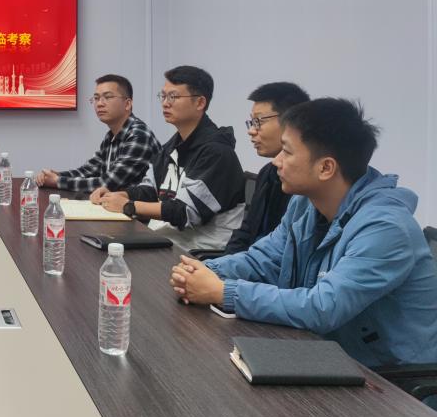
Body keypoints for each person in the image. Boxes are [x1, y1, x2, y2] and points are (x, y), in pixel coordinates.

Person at [169, 98, 437, 368]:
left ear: (326, 168)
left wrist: (223, 292)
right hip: (323, 353)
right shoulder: (305, 204)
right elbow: (263, 260)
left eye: (286, 152)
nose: (276, 161)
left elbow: (322, 307)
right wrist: (203, 272)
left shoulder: (386, 228)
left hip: (391, 379)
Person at [96, 65, 245, 251]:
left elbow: (184, 212)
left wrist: (129, 206)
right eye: (163, 96)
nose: (165, 103)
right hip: (169, 241)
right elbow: (152, 191)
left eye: (173, 97)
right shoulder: (171, 146)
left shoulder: (217, 153)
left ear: (200, 103)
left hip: (200, 253)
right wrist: (121, 195)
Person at [36, 73, 160, 195]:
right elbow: (88, 171)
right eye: (96, 98)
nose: (100, 103)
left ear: (127, 104)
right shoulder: (111, 136)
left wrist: (57, 181)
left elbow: (108, 183)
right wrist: (55, 175)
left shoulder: (139, 135)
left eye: (108, 97)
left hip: (140, 208)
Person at [222, 81, 309, 255]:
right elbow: (246, 232)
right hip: (249, 263)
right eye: (251, 122)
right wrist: (219, 265)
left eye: (258, 121)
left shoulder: (306, 183)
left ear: (291, 121)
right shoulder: (267, 173)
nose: (251, 131)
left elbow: (284, 251)